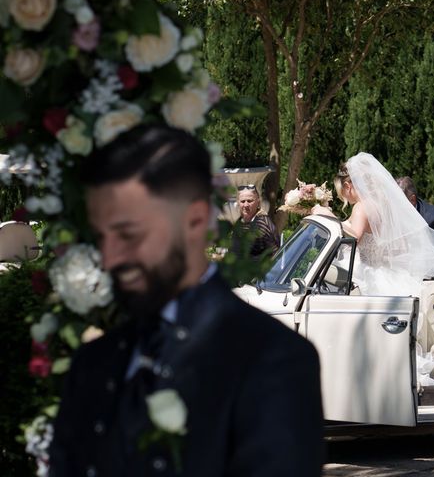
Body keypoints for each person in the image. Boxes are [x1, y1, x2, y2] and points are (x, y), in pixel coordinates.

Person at [49, 124, 324, 477]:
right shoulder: (93, 363)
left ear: (194, 221)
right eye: (102, 236)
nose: (111, 258)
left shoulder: (271, 361)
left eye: (128, 234)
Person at [314, 152, 434, 296]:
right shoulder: (385, 207)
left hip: (364, 276)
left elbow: (354, 239)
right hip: (388, 275)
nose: (342, 196)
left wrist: (329, 217)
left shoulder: (361, 207)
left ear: (348, 185)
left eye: (342, 191)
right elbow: (401, 245)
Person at [231, 184, 280, 258]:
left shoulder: (263, 223)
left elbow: (275, 254)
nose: (246, 205)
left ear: (258, 202)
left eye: (250, 201)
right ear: (238, 203)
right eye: (242, 201)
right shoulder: (239, 222)